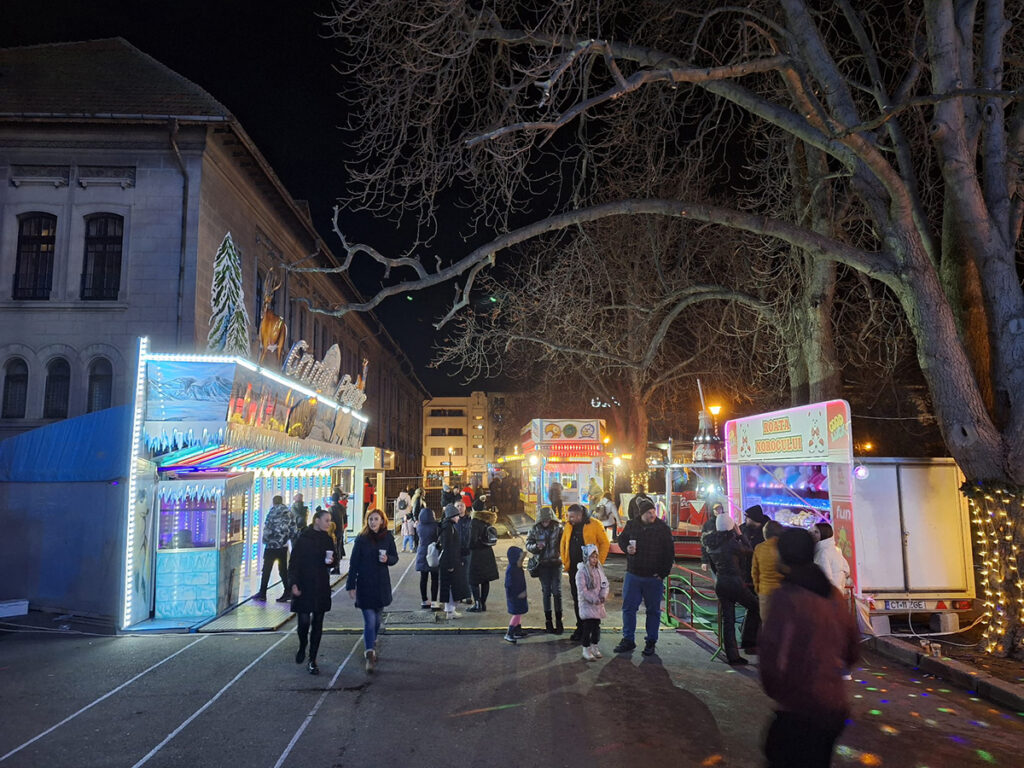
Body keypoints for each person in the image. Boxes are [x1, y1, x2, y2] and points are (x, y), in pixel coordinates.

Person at [759, 528, 860, 768]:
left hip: (800, 707)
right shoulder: (834, 595)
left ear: (783, 556)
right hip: (834, 707)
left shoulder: (786, 597)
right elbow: (852, 649)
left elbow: (771, 655)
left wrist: (779, 690)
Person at [613, 496, 674, 656]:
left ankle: (651, 641)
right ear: (641, 514)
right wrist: (626, 548)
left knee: (653, 611)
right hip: (633, 574)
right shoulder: (632, 525)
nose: (652, 515)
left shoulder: (662, 528)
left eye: (653, 511)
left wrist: (662, 573)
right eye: (648, 512)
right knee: (628, 608)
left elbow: (669, 553)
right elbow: (622, 539)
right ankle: (628, 639)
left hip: (653, 578)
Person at [344, 508, 399, 674]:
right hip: (365, 583)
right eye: (370, 519)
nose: (373, 522)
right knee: (369, 619)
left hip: (381, 584)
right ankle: (369, 653)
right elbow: (353, 563)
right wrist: (350, 584)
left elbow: (395, 557)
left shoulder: (387, 537)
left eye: (376, 519)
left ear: (382, 521)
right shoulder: (361, 539)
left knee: (376, 619)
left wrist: (387, 559)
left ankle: (372, 640)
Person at [702, 512, 760, 665]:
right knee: (756, 607)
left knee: (728, 620)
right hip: (735, 583)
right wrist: (740, 534)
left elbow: (714, 568)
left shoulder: (710, 544)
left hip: (721, 583)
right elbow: (749, 550)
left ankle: (732, 656)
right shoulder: (732, 544)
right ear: (730, 527)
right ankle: (749, 638)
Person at [289, 508, 335, 675]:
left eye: (329, 521)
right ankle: (302, 645)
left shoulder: (328, 540)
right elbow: (294, 563)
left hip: (321, 584)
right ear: (317, 520)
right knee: (303, 622)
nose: (329, 523)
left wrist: (331, 561)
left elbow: (333, 560)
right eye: (326, 520)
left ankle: (312, 659)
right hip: (304, 584)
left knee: (318, 622)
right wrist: (293, 583)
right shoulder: (303, 539)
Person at [559, 503, 610, 641]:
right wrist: (565, 560)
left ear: (580, 515)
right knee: (578, 599)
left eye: (572, 516)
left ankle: (593, 630)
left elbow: (605, 543)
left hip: (591, 570)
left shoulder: (595, 524)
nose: (570, 519)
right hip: (574, 570)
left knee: (593, 600)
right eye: (569, 516)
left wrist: (599, 562)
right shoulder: (569, 526)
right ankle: (580, 628)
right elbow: (564, 543)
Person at [525, 506, 565, 634]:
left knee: (557, 592)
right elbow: (528, 544)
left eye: (547, 520)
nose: (545, 522)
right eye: (543, 520)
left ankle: (559, 621)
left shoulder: (559, 528)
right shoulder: (535, 529)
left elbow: (564, 543)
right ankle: (548, 621)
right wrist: (536, 547)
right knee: (546, 592)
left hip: (556, 563)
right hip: (542, 564)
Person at [257, 495, 297, 603]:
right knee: (283, 570)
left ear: (274, 502)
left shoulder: (272, 512)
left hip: (271, 546)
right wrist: (288, 541)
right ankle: (287, 591)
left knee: (266, 570)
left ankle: (262, 593)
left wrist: (265, 541)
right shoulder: (289, 513)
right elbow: (293, 529)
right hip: (283, 546)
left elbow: (267, 528)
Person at [576, 543, 609, 661]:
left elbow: (605, 584)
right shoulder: (581, 572)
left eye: (596, 557)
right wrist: (593, 599)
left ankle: (595, 646)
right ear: (586, 557)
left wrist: (603, 595)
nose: (594, 560)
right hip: (587, 605)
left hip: (598, 605)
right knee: (587, 628)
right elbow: (582, 590)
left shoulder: (599, 570)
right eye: (592, 557)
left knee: (596, 627)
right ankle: (586, 649)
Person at [437, 504, 470, 619]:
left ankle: (450, 609)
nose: (458, 517)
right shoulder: (448, 528)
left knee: (450, 586)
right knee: (452, 586)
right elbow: (448, 547)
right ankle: (450, 611)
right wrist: (450, 564)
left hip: (450, 561)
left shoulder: (448, 526)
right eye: (456, 515)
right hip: (450, 562)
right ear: (452, 516)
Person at [752, 520, 785, 621]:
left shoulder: (759, 548)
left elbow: (755, 572)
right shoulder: (784, 548)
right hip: (783, 592)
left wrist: (758, 589)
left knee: (768, 626)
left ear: (765, 534)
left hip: (765, 591)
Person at [467, 507, 499, 612]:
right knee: (485, 580)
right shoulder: (487, 522)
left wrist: (468, 547)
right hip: (487, 553)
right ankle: (483, 603)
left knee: (473, 580)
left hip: (476, 554)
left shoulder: (474, 522)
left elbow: (472, 540)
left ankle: (477, 604)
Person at [813, 522, 851, 593]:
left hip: (828, 594)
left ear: (824, 533)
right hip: (838, 593)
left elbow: (825, 577)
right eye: (812, 532)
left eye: (816, 532)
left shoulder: (823, 552)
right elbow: (847, 570)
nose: (813, 534)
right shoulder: (836, 550)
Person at [415, 506, 440, 609]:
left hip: (422, 552)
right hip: (433, 552)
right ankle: (434, 601)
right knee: (435, 578)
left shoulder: (419, 526)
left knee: (423, 578)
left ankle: (424, 600)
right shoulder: (436, 526)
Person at [503, 546, 529, 644]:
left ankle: (518, 630)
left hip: (519, 595)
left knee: (519, 612)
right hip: (515, 597)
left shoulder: (516, 568)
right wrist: (517, 595)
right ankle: (509, 633)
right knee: (517, 614)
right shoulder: (512, 570)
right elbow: (509, 585)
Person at [456, 500, 474, 605]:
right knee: (458, 574)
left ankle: (468, 596)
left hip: (467, 550)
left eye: (461, 506)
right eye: (457, 506)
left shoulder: (469, 520)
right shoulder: (453, 520)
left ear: (465, 507)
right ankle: (459, 595)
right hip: (456, 551)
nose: (460, 507)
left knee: (468, 574)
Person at [700, 502, 725, 573]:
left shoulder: (727, 522)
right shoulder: (708, 524)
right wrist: (704, 561)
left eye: (719, 508)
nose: (718, 511)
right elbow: (704, 544)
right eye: (715, 509)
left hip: (726, 558)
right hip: (714, 558)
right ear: (712, 510)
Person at [328, 490, 348, 567]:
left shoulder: (331, 508)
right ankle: (338, 565)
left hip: (333, 529)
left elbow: (329, 520)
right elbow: (345, 518)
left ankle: (336, 566)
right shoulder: (342, 507)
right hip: (341, 528)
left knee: (334, 547)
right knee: (339, 545)